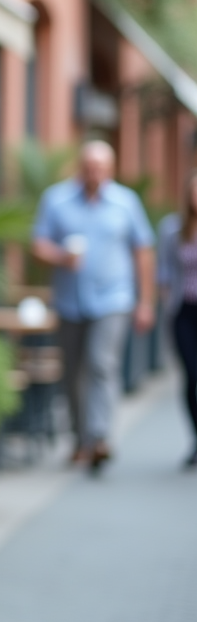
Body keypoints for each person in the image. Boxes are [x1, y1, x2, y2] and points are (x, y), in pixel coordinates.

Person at [31, 140, 155, 471]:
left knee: (102, 363)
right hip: (69, 301)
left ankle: (100, 438)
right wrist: (61, 257)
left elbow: (143, 251)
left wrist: (145, 301)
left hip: (114, 299)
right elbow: (38, 244)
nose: (94, 174)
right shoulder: (56, 200)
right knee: (73, 372)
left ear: (110, 170)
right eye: (89, 167)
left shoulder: (126, 202)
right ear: (80, 168)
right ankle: (80, 439)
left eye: (100, 168)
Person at [156, 172, 197, 468]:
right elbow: (164, 269)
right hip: (183, 311)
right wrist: (164, 297)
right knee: (191, 376)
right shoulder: (172, 229)